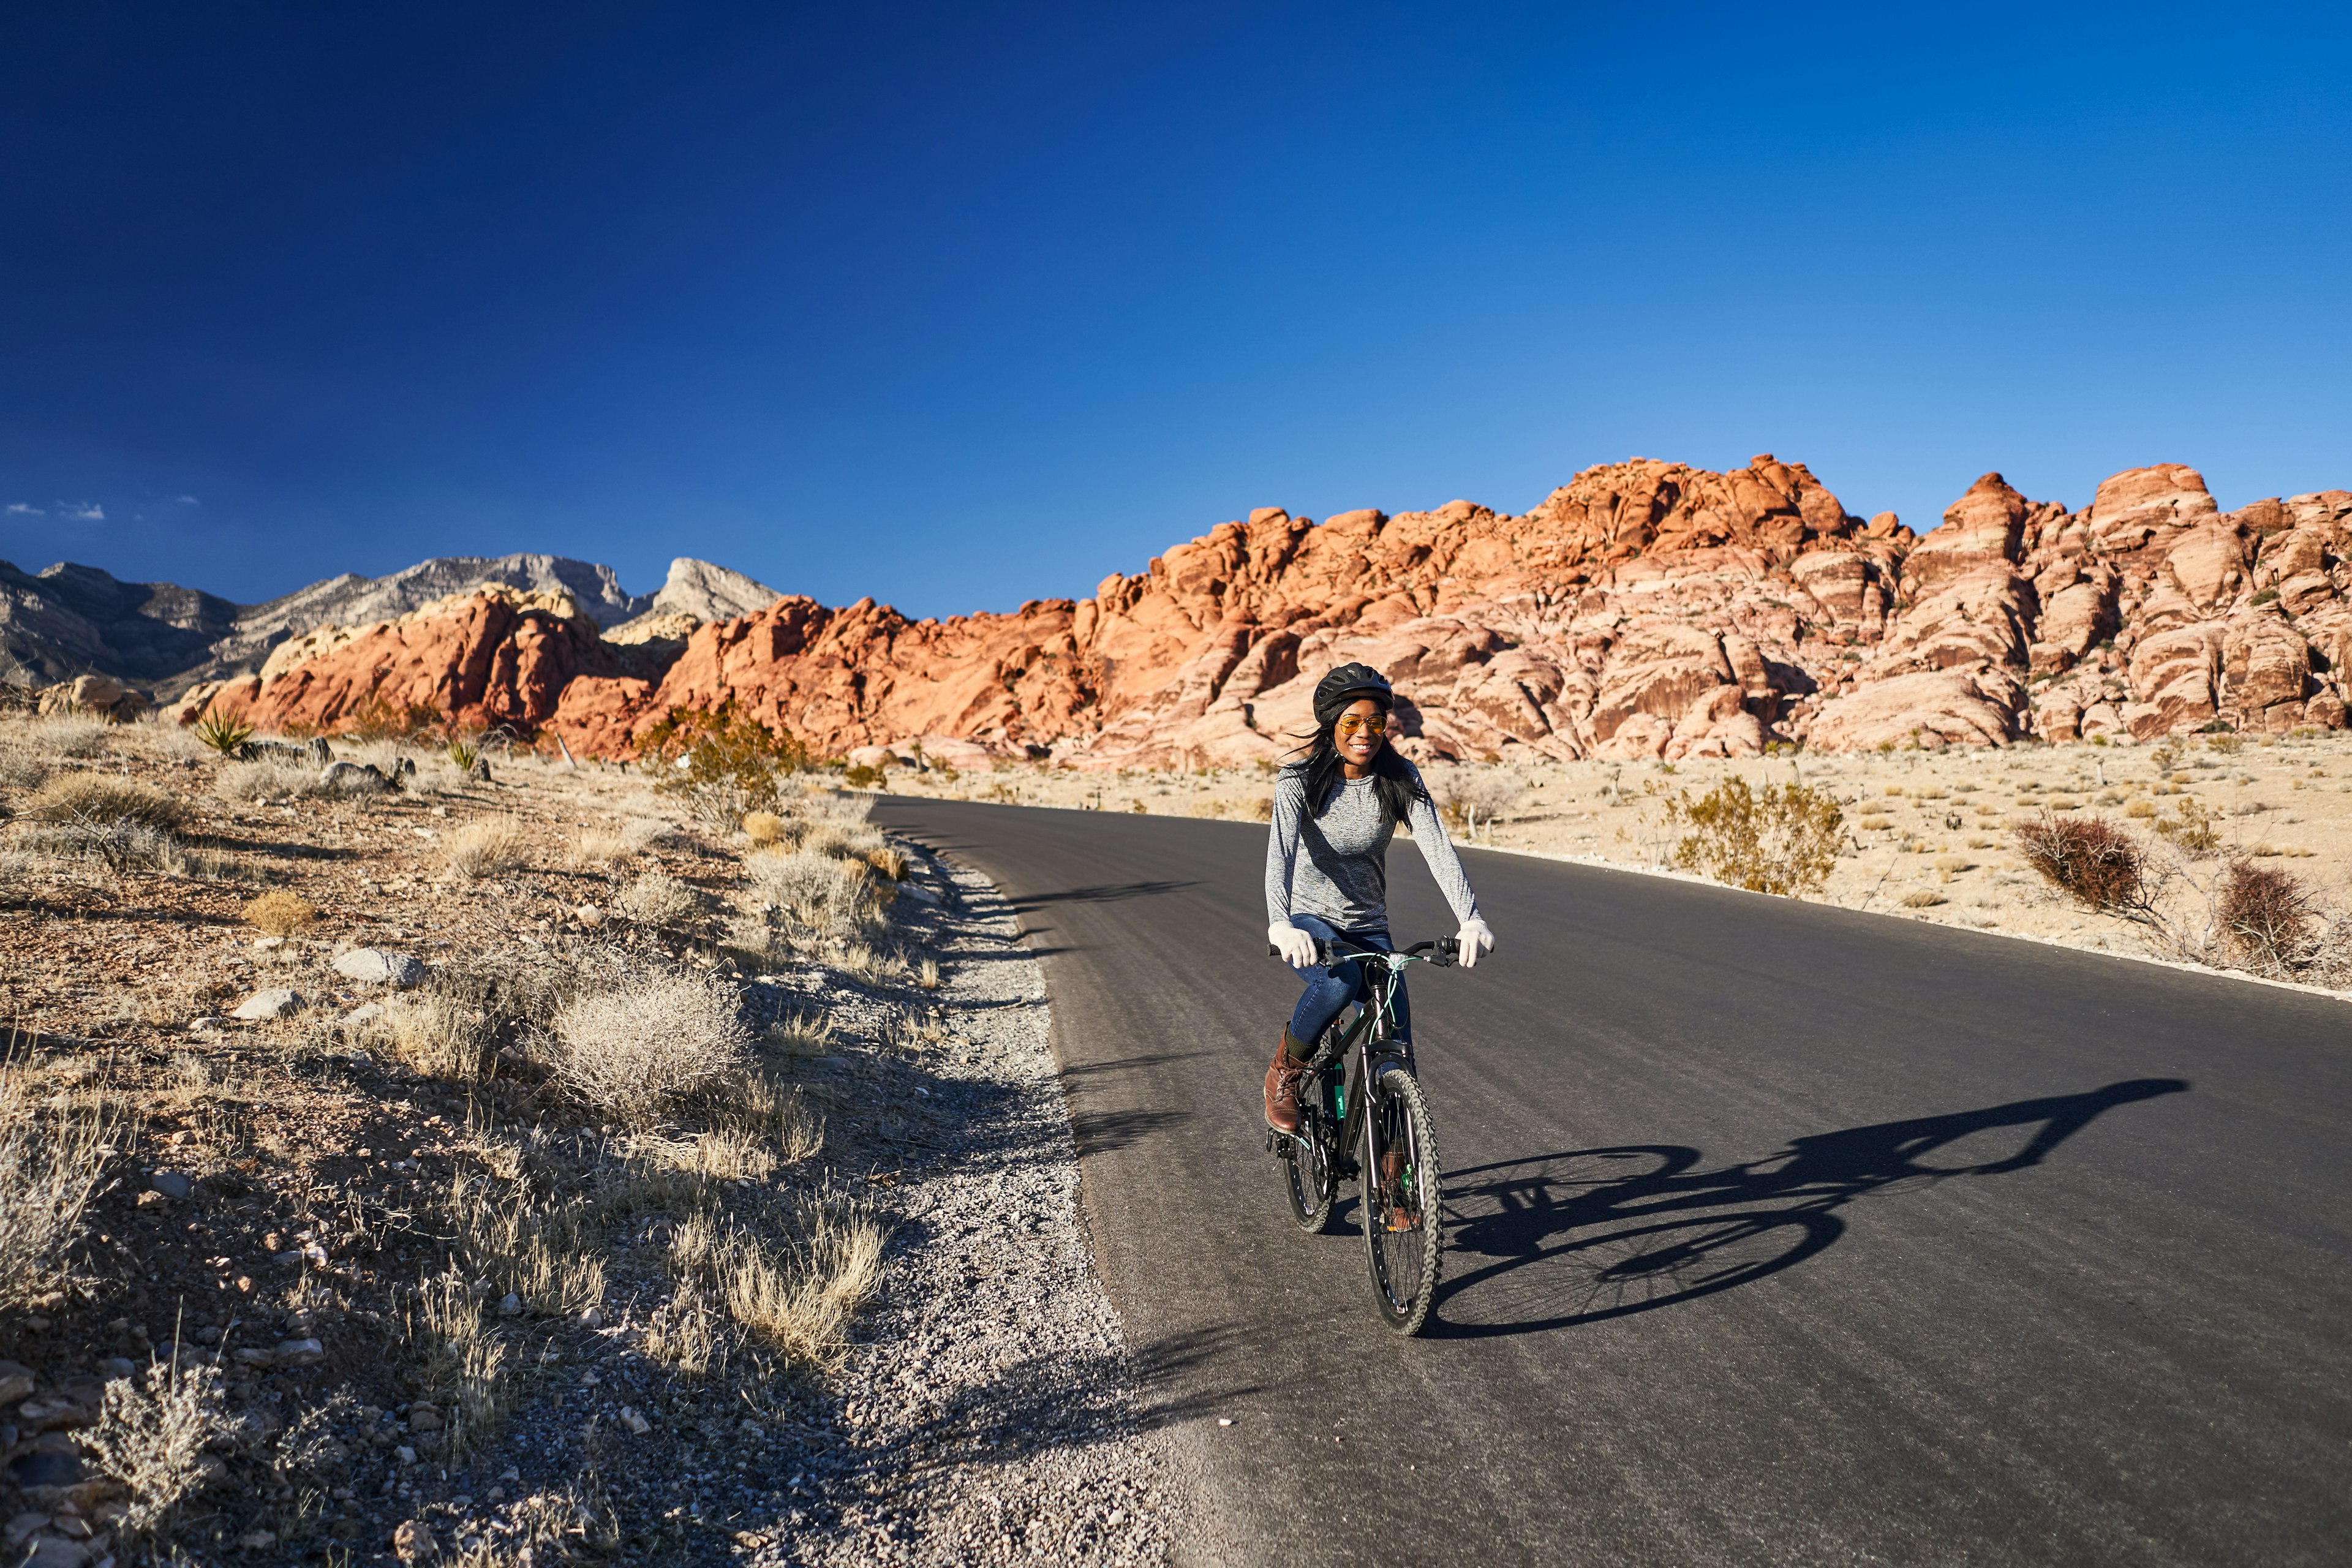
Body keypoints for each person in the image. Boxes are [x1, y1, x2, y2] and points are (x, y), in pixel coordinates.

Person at [1262, 662, 1493, 1133]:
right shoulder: (1298, 782)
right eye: (1352, 722)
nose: (1365, 733)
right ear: (1332, 725)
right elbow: (1280, 857)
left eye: (1375, 722)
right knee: (1339, 984)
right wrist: (1280, 923)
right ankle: (1286, 1070)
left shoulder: (1400, 778)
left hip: (1370, 927)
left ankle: (1396, 1175)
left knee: (1397, 1051)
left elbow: (1438, 850)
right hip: (1312, 922)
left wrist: (1471, 918)